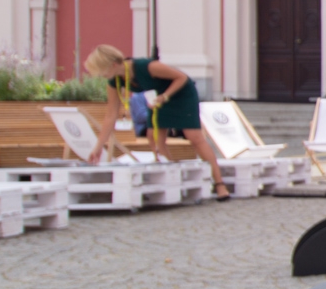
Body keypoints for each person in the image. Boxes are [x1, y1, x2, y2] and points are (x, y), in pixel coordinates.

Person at [83, 44, 230, 200]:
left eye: (103, 72)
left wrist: (165, 96)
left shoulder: (147, 66)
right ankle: (174, 181)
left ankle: (219, 184)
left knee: (194, 136)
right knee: (153, 137)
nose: (103, 76)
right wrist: (99, 147)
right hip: (157, 97)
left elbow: (182, 78)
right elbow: (110, 115)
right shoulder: (115, 80)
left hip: (181, 93)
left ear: (113, 65)